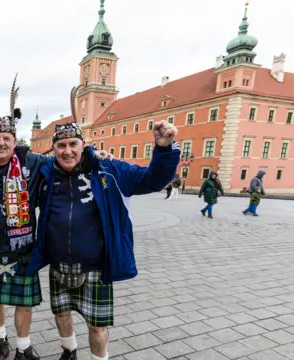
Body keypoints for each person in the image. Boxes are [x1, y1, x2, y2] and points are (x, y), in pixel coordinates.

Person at [27, 86, 181, 360]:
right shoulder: (46, 173)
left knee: (97, 326)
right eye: (60, 146)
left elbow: (152, 180)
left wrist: (164, 149)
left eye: (73, 144)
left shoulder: (110, 169)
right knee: (61, 313)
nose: (67, 151)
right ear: (53, 150)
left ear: (82, 145)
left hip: (96, 266)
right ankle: (69, 351)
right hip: (58, 262)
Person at [0, 77, 110, 360]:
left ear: (13, 140)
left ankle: (23, 347)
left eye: (6, 138)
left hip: (21, 248)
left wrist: (93, 154)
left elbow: (66, 158)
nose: (1, 143)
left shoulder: (32, 162)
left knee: (23, 303)